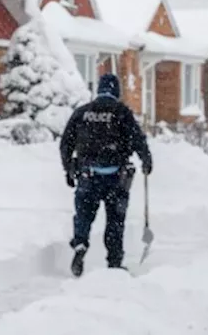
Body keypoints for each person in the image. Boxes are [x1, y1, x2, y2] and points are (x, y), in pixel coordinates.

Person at [60, 72, 152, 277]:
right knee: (115, 221)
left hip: (87, 176)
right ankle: (114, 262)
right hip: (116, 179)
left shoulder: (82, 112)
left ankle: (81, 243)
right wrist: (146, 160)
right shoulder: (121, 112)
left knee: (84, 216)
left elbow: (66, 142)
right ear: (116, 91)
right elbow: (138, 139)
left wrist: (68, 168)